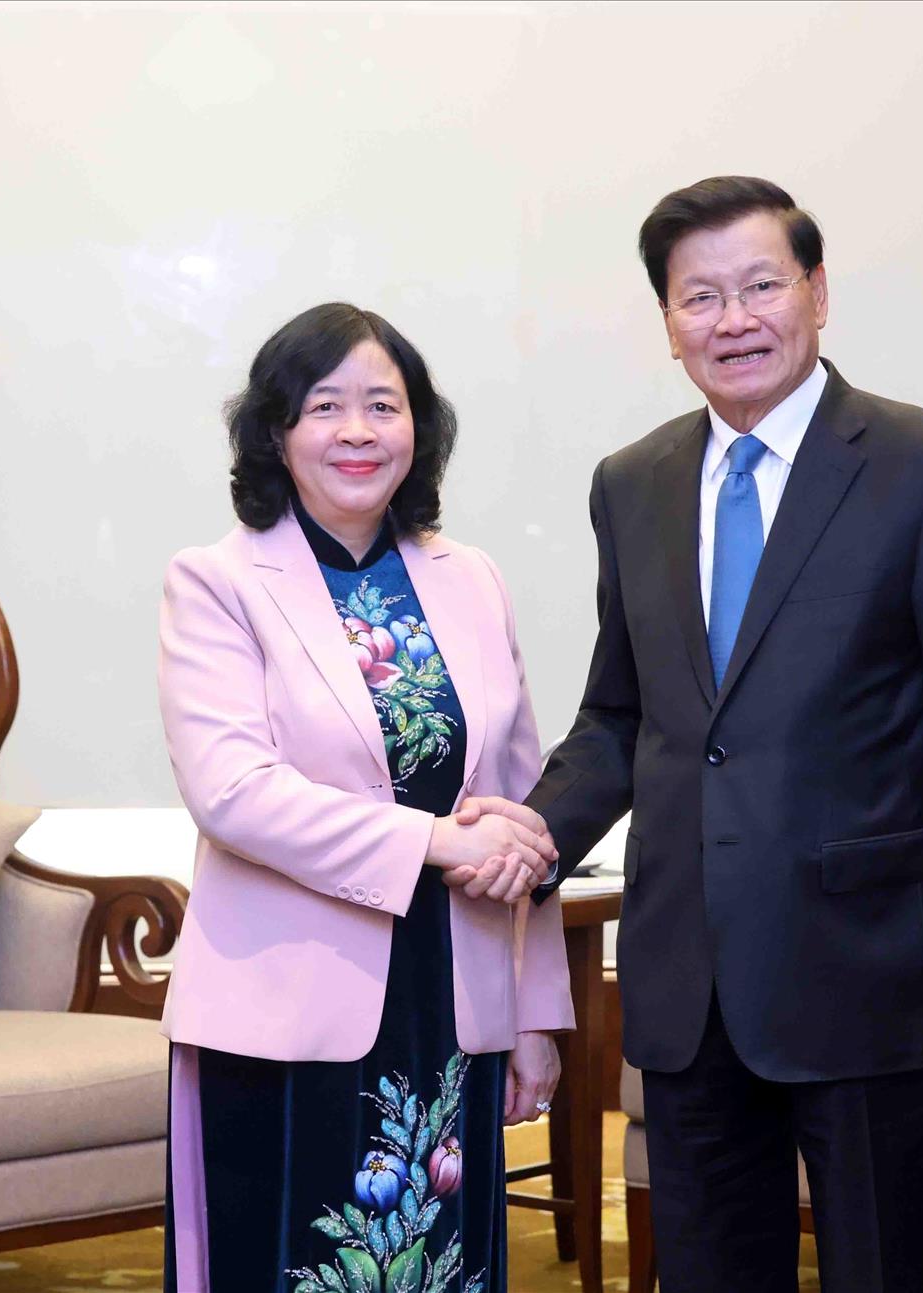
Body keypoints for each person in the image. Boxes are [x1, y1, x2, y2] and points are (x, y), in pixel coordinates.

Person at [463, 177, 923, 1291]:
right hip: (686, 978)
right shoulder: (632, 484)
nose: (733, 320)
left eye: (762, 286)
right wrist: (529, 830)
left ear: (817, 294)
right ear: (668, 324)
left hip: (866, 973)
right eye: (700, 298)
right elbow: (623, 715)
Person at [157, 303, 572, 1293]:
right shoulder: (217, 581)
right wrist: (433, 841)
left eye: (384, 406)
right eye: (324, 406)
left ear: (418, 428)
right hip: (284, 1013)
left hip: (452, 1001)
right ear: (276, 432)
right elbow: (234, 793)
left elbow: (520, 809)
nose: (357, 431)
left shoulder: (472, 578)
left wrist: (537, 1014)